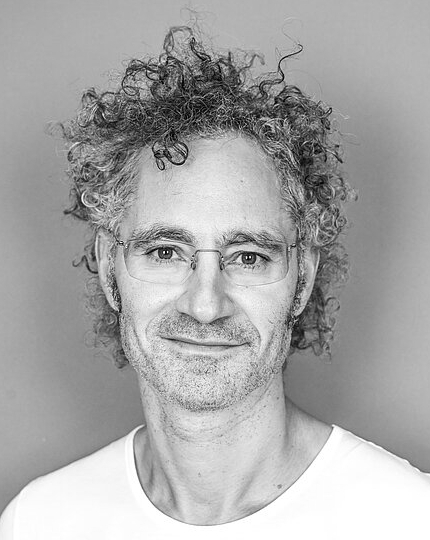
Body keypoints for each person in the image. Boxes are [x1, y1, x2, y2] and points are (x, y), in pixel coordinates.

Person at [1, 26, 429, 540]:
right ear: (109, 266)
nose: (205, 305)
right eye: (165, 252)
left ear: (303, 278)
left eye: (248, 258)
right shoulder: (38, 521)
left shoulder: (408, 518)